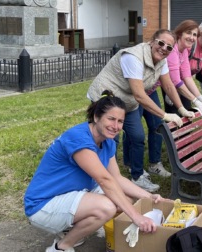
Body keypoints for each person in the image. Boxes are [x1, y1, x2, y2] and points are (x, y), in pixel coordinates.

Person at [24, 90, 169, 252]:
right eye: (111, 119)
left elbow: (116, 179)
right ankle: (62, 246)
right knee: (106, 207)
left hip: (69, 193)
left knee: (125, 201)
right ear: (96, 117)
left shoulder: (107, 142)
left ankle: (71, 229)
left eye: (120, 121)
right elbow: (104, 180)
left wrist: (149, 196)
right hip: (43, 204)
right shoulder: (79, 138)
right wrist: (136, 217)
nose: (116, 126)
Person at [88, 29, 195, 192]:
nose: (164, 48)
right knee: (110, 138)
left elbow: (168, 85)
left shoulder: (162, 60)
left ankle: (137, 176)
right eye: (161, 43)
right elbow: (139, 94)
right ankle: (105, 179)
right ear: (152, 42)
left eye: (169, 47)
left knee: (137, 136)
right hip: (107, 97)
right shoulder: (133, 57)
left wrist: (181, 108)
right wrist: (165, 114)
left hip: (127, 102)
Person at [161, 20, 202, 117]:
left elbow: (187, 76)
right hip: (147, 85)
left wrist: (200, 98)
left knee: (184, 114)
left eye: (194, 35)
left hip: (161, 86)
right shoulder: (173, 48)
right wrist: (195, 100)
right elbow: (176, 81)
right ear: (180, 33)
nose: (192, 37)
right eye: (188, 33)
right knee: (171, 116)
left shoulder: (184, 50)